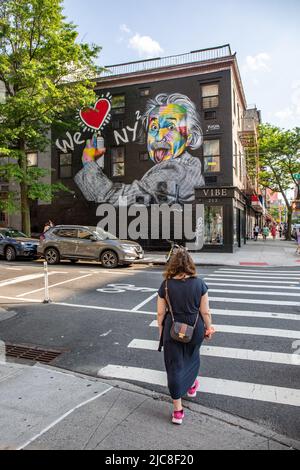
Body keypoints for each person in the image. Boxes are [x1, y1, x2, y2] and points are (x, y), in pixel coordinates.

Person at [75, 93, 205, 206]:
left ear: (189, 137)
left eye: (171, 127)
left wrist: (88, 162)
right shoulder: (190, 166)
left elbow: (117, 198)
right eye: (154, 128)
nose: (159, 137)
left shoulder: (176, 170)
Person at [157, 248, 214, 425]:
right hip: (194, 328)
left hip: (172, 330)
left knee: (174, 366)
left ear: (173, 265)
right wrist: (209, 327)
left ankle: (178, 411)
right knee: (191, 357)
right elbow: (205, 311)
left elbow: (160, 314)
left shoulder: (165, 285)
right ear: (190, 264)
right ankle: (191, 386)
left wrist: (161, 334)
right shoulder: (200, 284)